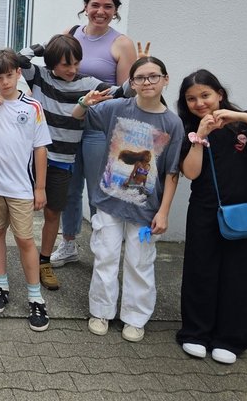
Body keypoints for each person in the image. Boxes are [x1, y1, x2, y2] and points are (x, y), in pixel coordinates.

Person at [175, 70, 247, 364]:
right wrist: (200, 137)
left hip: (243, 211)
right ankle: (196, 333)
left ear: (220, 94)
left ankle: (231, 338)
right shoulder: (188, 128)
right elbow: (191, 173)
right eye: (191, 98)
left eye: (205, 95)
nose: (199, 103)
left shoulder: (246, 124)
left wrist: (239, 116)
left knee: (237, 274)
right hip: (203, 210)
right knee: (200, 270)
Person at [73, 56, 183, 343]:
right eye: (140, 78)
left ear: (165, 79)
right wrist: (85, 102)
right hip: (109, 201)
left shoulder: (172, 123)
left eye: (153, 76)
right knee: (105, 257)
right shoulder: (117, 108)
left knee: (140, 262)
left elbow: (172, 172)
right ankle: (101, 311)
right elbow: (78, 115)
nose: (147, 82)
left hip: (146, 208)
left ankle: (135, 318)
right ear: (131, 83)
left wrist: (164, 212)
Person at [21, 34, 130, 290]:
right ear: (51, 64)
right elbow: (17, 59)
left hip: (63, 160)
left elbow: (121, 92)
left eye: (76, 63)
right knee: (15, 208)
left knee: (53, 212)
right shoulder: (40, 76)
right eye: (65, 64)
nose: (72, 69)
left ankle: (44, 261)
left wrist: (139, 73)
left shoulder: (88, 83)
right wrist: (44, 47)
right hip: (32, 157)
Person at [53, 0, 137, 269]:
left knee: (97, 190)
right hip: (68, 124)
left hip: (98, 129)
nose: (101, 11)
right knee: (69, 188)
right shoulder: (71, 33)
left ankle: (104, 247)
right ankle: (68, 243)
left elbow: (126, 93)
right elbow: (55, 71)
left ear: (116, 11)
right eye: (95, 5)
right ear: (85, 7)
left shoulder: (122, 43)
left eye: (108, 7)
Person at [0, 48, 52, 329]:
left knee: (25, 240)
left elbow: (40, 149)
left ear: (18, 73)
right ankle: (1, 285)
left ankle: (35, 297)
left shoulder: (32, 107)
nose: (4, 82)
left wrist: (40, 187)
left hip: (21, 188)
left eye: (8, 76)